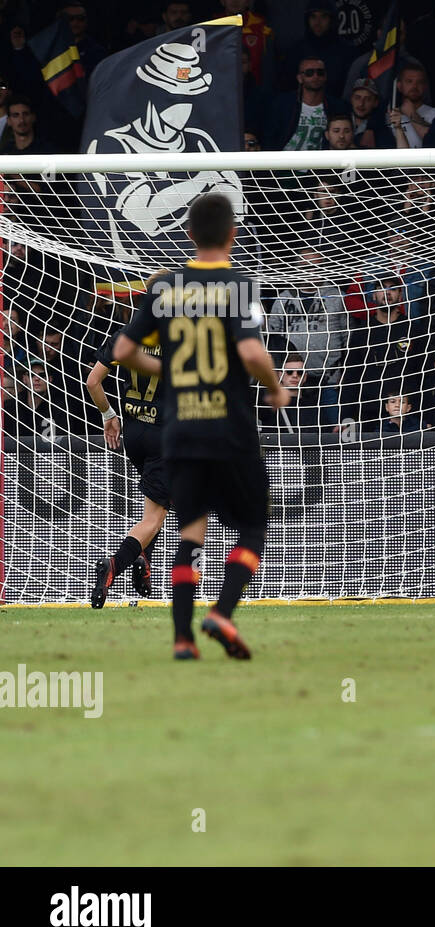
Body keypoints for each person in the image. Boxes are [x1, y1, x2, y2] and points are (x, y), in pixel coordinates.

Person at [114, 192, 290, 661]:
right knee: (252, 525)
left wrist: (170, 371)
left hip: (180, 428)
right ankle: (222, 612)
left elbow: (124, 353)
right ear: (233, 234)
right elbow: (252, 354)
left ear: (189, 234)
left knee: (190, 528)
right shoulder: (239, 286)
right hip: (228, 428)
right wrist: (274, 386)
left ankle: (182, 639)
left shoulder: (166, 289)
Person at [85, 310, 170, 608]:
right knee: (154, 516)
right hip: (165, 435)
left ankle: (143, 560)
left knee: (160, 504)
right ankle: (114, 565)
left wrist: (109, 415)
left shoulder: (127, 335)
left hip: (133, 436)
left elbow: (93, 381)